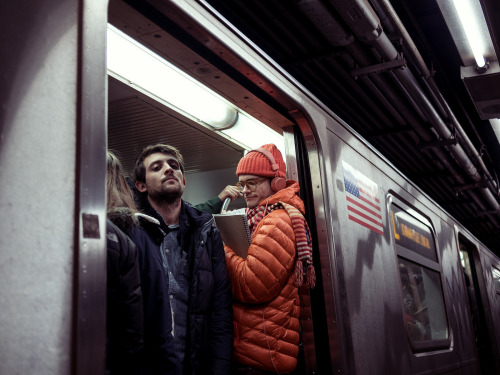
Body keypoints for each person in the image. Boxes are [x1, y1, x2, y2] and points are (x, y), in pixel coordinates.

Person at [133, 144, 233, 375]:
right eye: (156, 167)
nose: (168, 169)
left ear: (184, 180)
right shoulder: (132, 231)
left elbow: (221, 308)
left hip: (193, 362)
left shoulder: (207, 232)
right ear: (141, 185)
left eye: (174, 166)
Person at [223, 144, 315, 374]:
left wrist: (222, 246)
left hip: (263, 355)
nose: (245, 190)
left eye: (252, 183)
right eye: (242, 184)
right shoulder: (259, 218)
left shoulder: (278, 221)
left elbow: (253, 283)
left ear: (276, 183)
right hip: (258, 348)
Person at [106, 151, 178, 375]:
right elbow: (159, 324)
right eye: (156, 167)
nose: (168, 170)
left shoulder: (133, 235)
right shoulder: (137, 235)